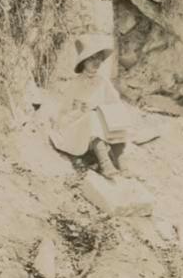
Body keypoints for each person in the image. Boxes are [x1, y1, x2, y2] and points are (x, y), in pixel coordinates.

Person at [50, 34, 131, 179]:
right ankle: (105, 164)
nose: (96, 63)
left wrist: (102, 109)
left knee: (115, 112)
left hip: (99, 128)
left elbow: (114, 102)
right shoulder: (75, 84)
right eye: (92, 59)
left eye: (99, 58)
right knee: (92, 116)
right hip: (77, 127)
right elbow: (64, 112)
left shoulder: (102, 81)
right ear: (84, 62)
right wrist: (81, 111)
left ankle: (121, 162)